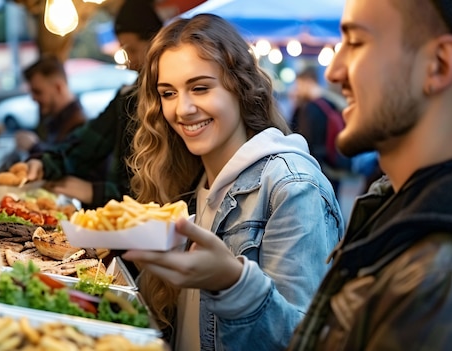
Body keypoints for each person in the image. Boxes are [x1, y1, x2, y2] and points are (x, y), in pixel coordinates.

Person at [122, 14, 344, 350]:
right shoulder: (185, 181)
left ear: (240, 86)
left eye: (200, 88)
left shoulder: (292, 186)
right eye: (167, 93)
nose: (182, 109)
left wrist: (232, 282)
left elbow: (305, 340)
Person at [288, 0, 452, 349]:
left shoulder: (445, 282)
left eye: (356, 43)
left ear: (438, 66)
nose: (334, 72)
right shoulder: (391, 208)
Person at [25, 0, 163, 209]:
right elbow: (86, 143)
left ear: (158, 44)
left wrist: (93, 191)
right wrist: (44, 164)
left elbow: (162, 193)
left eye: (133, 50)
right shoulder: (127, 96)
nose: (128, 62)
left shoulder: (170, 104)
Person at [291, 66, 350, 193]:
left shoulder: (311, 108)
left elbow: (307, 140)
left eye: (299, 85)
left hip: (319, 167)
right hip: (334, 162)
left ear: (308, 82)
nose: (298, 89)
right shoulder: (331, 102)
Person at [14, 56, 88, 154]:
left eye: (38, 92)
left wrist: (34, 147)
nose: (33, 98)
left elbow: (67, 164)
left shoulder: (79, 125)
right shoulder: (59, 121)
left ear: (58, 87)